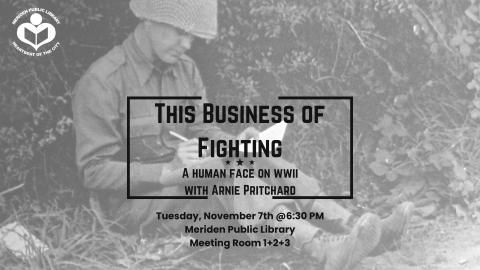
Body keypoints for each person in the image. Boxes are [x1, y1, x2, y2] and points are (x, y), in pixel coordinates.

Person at [72, 0, 413, 269]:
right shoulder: (102, 83)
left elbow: (202, 127)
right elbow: (94, 171)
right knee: (227, 172)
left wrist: (236, 145)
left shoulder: (184, 71)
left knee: (253, 154)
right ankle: (321, 249)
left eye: (192, 36)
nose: (187, 44)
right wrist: (166, 172)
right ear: (148, 19)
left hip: (188, 186)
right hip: (137, 206)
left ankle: (353, 225)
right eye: (180, 32)